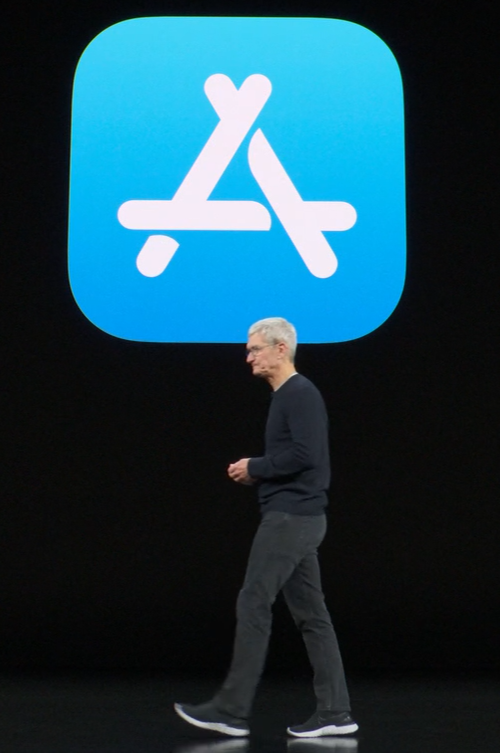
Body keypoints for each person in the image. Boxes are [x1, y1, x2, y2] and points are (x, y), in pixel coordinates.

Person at [174, 317, 357, 739]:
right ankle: (336, 712)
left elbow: (307, 455)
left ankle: (231, 710)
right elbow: (298, 456)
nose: (248, 357)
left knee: (254, 601)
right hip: (300, 518)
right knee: (313, 617)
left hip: (292, 518)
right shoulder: (286, 396)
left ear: (281, 349)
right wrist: (261, 471)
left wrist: (255, 467)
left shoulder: (300, 394)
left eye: (255, 349)